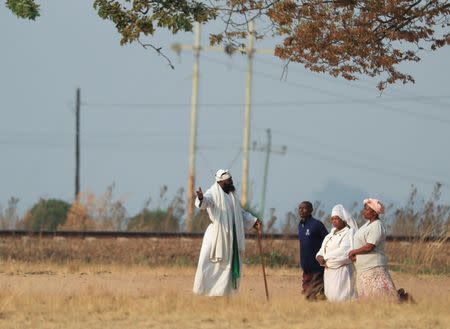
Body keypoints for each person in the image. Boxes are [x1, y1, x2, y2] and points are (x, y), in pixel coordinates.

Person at [193, 169, 261, 296]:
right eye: (229, 180)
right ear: (221, 181)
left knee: (227, 267)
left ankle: (224, 294)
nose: (231, 182)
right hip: (216, 236)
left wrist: (254, 221)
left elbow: (240, 213)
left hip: (232, 237)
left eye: (231, 179)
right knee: (208, 265)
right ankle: (205, 292)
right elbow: (205, 202)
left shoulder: (232, 196)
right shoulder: (212, 193)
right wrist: (201, 198)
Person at [348, 198, 398, 301]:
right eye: (364, 209)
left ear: (374, 212)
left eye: (366, 209)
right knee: (368, 300)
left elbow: (370, 246)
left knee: (381, 298)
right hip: (363, 269)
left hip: (373, 268)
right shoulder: (367, 225)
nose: (363, 211)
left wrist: (354, 252)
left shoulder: (377, 226)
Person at [316, 204, 357, 302]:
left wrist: (325, 258)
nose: (334, 221)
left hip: (342, 271)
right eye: (332, 219)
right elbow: (322, 249)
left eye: (336, 218)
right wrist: (319, 257)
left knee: (342, 296)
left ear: (343, 219)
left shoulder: (349, 233)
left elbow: (344, 252)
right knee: (330, 296)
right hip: (329, 272)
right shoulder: (329, 236)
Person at [298, 201, 328, 300]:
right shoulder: (300, 225)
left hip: (317, 267)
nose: (301, 210)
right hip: (306, 267)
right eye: (300, 208)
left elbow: (328, 241)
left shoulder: (317, 225)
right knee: (307, 294)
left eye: (304, 208)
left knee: (316, 293)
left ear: (311, 210)